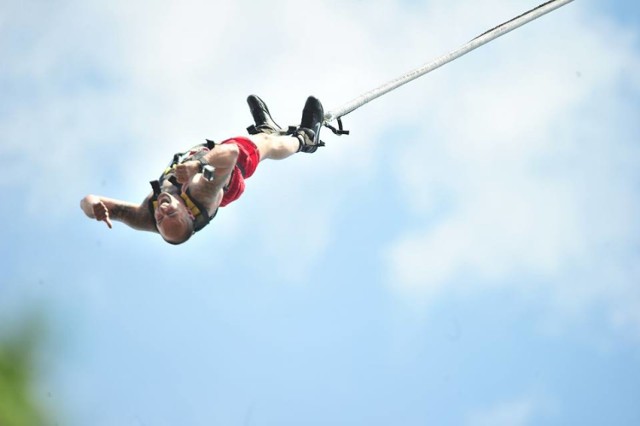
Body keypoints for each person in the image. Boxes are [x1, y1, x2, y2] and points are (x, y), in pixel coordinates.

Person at [80, 95, 325, 245]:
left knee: (239, 144)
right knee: (263, 147)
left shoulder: (147, 216)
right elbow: (230, 155)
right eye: (171, 215)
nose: (163, 210)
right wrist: (199, 165)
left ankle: (266, 128)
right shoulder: (201, 193)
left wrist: (93, 207)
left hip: (208, 164)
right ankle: (305, 140)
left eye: (161, 218)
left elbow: (88, 202)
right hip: (227, 175)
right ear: (188, 211)